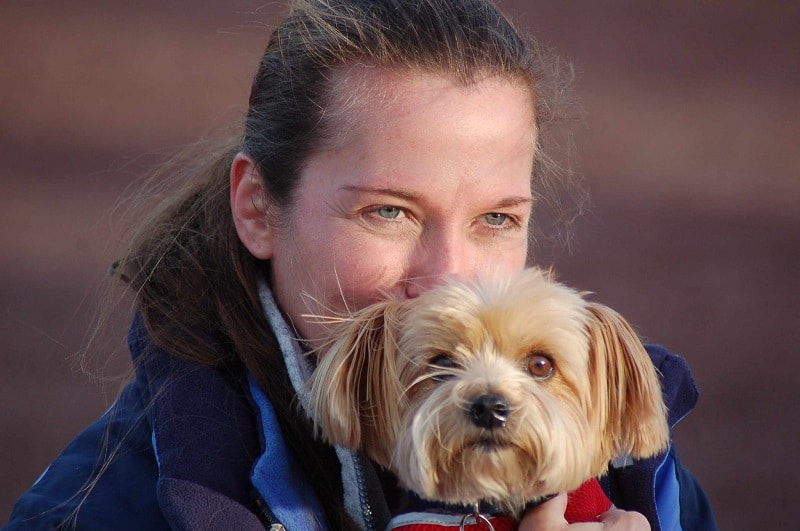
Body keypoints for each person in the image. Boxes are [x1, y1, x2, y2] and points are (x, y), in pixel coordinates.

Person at [5, 0, 717, 530]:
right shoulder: (114, 503)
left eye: (496, 218)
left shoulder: (636, 472)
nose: (450, 276)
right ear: (257, 208)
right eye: (390, 212)